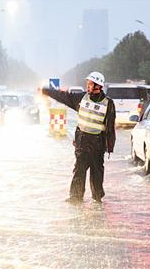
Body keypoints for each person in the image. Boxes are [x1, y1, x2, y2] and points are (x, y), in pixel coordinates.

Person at [42, 71, 116, 204]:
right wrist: (46, 91)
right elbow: (63, 96)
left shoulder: (108, 103)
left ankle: (97, 198)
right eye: (87, 83)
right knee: (79, 171)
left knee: (97, 173)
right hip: (82, 142)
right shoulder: (81, 98)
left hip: (98, 144)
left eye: (90, 83)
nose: (87, 85)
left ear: (98, 86)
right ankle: (75, 198)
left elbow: (110, 127)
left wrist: (109, 146)